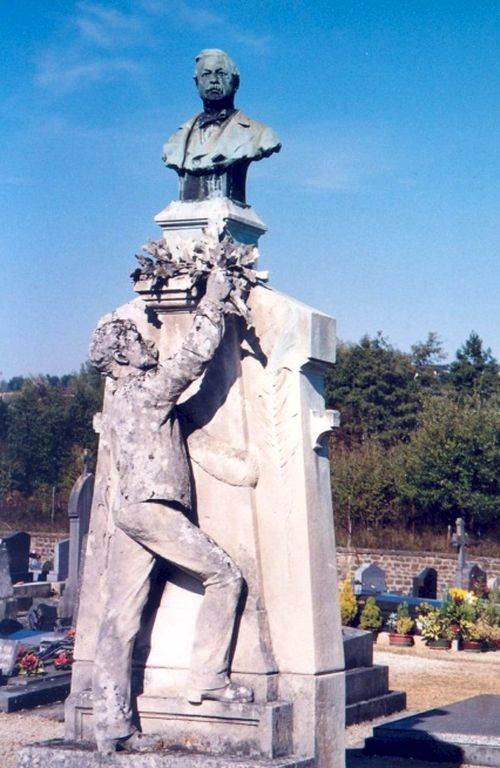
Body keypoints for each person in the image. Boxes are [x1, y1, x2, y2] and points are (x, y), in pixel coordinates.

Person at [89, 267, 253, 755]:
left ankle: (111, 725)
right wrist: (216, 297)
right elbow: (195, 358)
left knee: (120, 619)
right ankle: (208, 677)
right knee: (226, 576)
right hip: (154, 511)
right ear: (123, 354)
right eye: (139, 341)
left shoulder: (117, 403)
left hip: (128, 513)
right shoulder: (145, 390)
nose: (149, 344)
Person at [162, 49, 281, 203]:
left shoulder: (260, 134)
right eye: (206, 74)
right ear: (197, 82)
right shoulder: (176, 140)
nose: (214, 80)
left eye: (221, 73)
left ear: (236, 82)